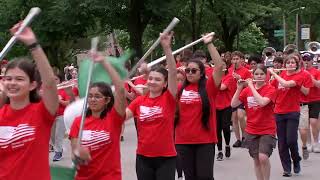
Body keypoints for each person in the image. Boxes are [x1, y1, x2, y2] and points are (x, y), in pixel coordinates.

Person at [0, 24, 59, 179]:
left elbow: (50, 84)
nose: (12, 83)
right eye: (8, 79)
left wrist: (33, 44)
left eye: (19, 79)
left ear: (33, 84)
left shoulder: (42, 112)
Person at [125, 32, 178, 180]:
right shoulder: (139, 101)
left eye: (158, 79)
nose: (152, 81)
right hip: (143, 157)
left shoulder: (169, 99)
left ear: (165, 83)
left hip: (166, 158)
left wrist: (167, 48)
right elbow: (120, 117)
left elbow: (173, 73)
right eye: (151, 78)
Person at [69, 51, 126, 180]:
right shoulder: (79, 122)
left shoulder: (114, 118)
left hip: (109, 176)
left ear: (107, 100)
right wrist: (78, 154)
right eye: (90, 96)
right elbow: (74, 152)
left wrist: (103, 61)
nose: (93, 99)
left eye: (97, 96)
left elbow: (120, 89)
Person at [175, 34, 224, 180]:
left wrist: (209, 44)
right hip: (183, 141)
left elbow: (219, 66)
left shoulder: (209, 88)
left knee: (205, 177)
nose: (189, 73)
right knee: (190, 177)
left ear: (202, 73)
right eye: (187, 70)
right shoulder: (179, 89)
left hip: (205, 141)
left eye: (194, 71)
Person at [231, 65, 277, 180]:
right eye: (256, 74)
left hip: (267, 129)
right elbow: (233, 104)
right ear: (253, 75)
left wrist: (251, 86)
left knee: (263, 158)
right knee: (256, 159)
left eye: (262, 74)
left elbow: (262, 102)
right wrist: (238, 88)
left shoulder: (270, 89)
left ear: (266, 75)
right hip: (251, 129)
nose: (259, 76)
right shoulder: (247, 90)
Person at [269, 54, 306, 177]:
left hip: (292, 112)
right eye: (288, 63)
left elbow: (286, 84)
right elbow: (271, 88)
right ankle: (286, 168)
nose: (290, 64)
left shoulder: (299, 76)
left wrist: (274, 74)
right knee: (282, 143)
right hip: (279, 112)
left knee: (291, 140)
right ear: (285, 65)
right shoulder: (281, 75)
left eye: (293, 63)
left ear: (296, 65)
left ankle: (296, 160)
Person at [229, 51, 252, 148]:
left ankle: (244, 137)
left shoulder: (246, 71)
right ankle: (238, 139)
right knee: (234, 118)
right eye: (233, 59)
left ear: (241, 60)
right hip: (232, 96)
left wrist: (240, 78)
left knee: (241, 116)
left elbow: (249, 84)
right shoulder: (229, 70)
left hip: (242, 96)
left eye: (237, 59)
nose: (235, 61)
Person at [215, 60, 236, 161]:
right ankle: (219, 151)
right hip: (215, 106)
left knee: (225, 127)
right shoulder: (213, 77)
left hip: (226, 105)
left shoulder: (229, 77)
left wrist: (212, 80)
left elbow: (222, 87)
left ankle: (227, 145)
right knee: (217, 129)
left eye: (222, 66)